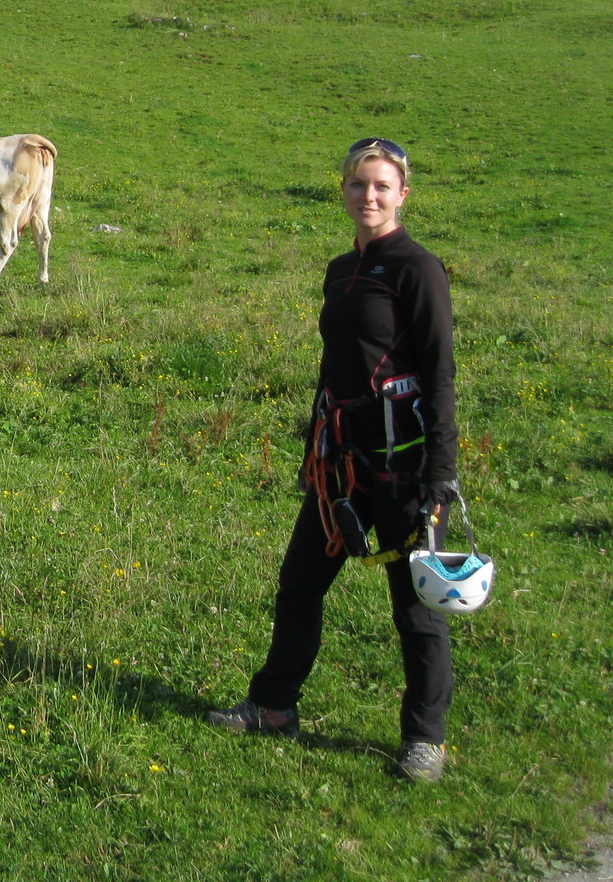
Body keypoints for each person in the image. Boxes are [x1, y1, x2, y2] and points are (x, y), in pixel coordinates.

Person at [207, 138, 460, 782]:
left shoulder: (416, 269)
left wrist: (439, 472)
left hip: (402, 467)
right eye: (357, 185)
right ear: (344, 191)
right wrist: (314, 446)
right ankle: (273, 706)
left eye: (380, 186)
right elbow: (334, 367)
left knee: (416, 607)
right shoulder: (339, 270)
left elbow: (438, 375)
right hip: (339, 465)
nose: (367, 196)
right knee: (299, 586)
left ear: (402, 194)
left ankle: (424, 739)